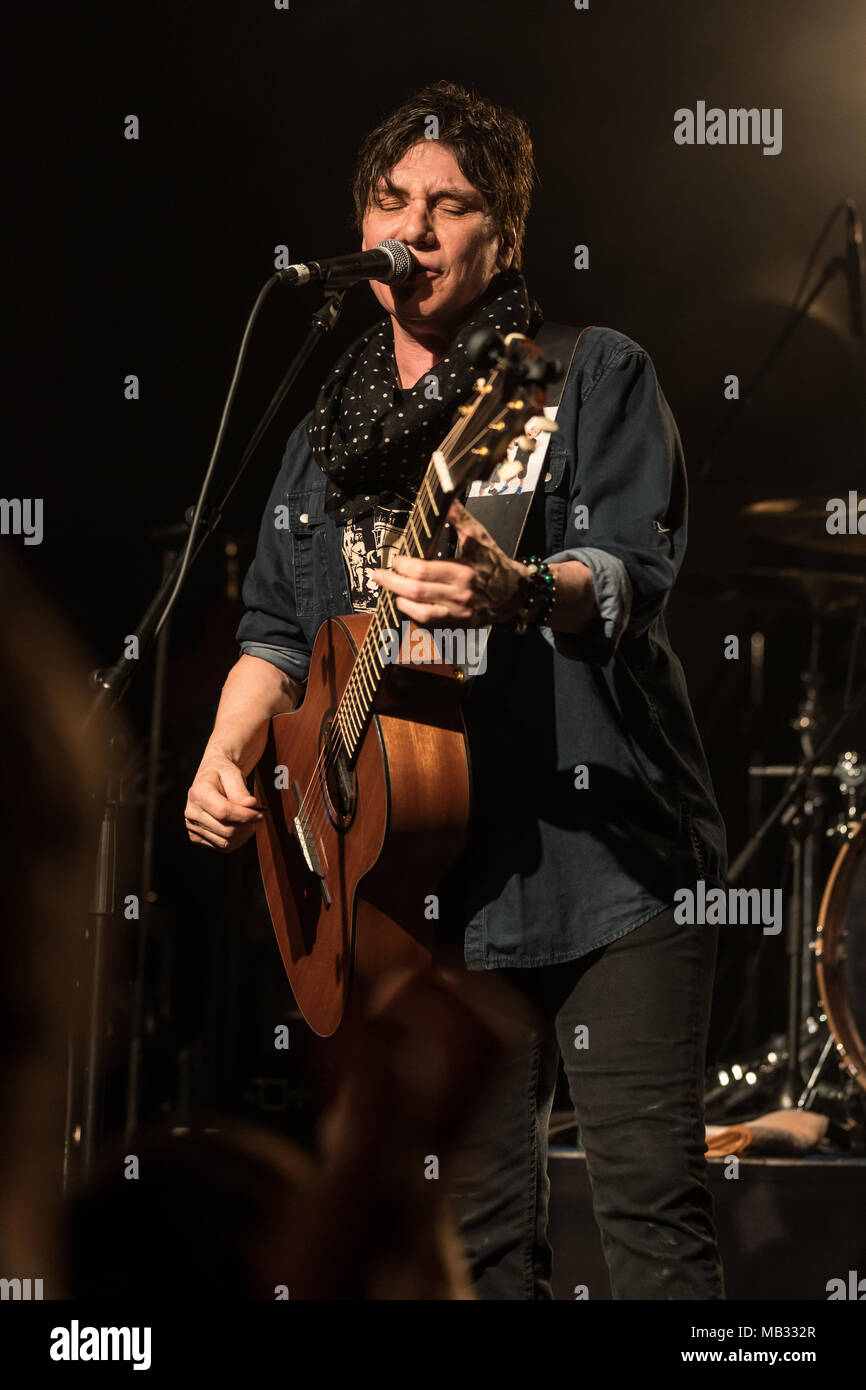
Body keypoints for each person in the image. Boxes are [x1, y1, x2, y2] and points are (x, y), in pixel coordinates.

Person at [185, 80, 728, 1300]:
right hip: (423, 891)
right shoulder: (320, 433)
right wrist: (227, 753)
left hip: (608, 871)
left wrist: (520, 590)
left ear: (504, 236)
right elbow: (275, 634)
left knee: (650, 1227)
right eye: (391, 201)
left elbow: (628, 571)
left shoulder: (576, 378)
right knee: (475, 1253)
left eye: (451, 206)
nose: (415, 229)